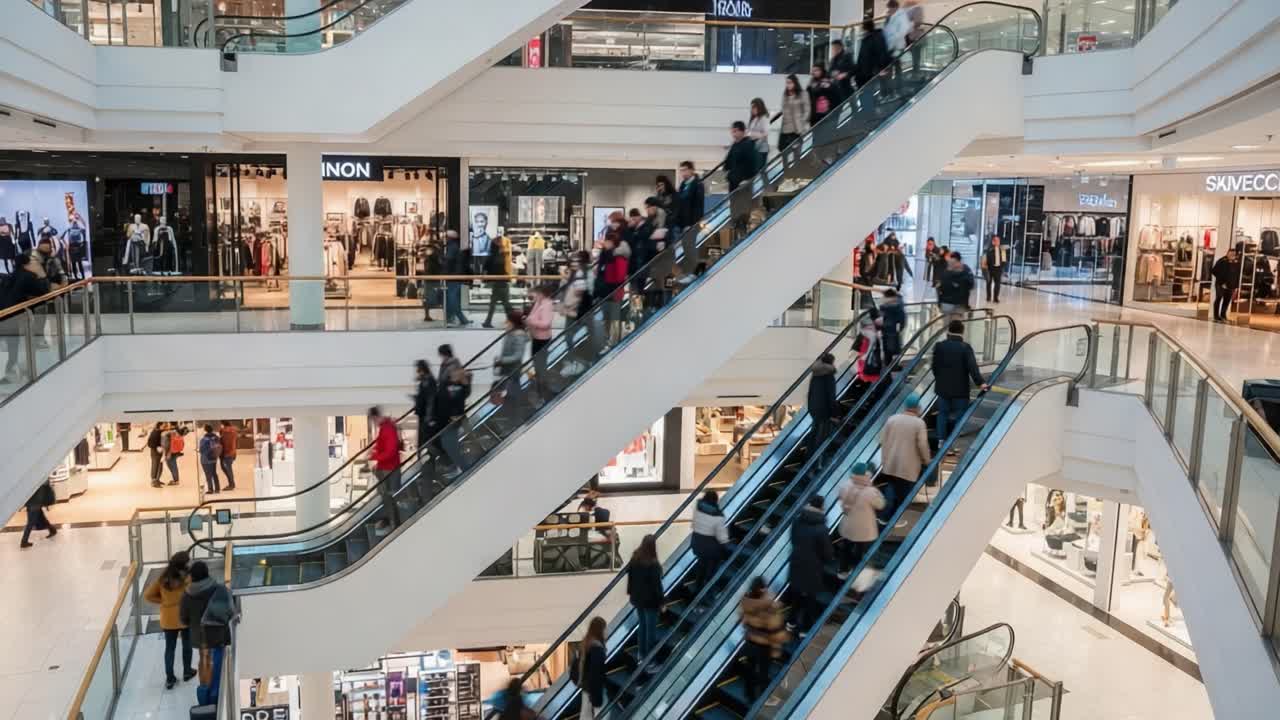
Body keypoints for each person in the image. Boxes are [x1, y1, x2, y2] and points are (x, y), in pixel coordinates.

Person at [180, 561, 234, 706]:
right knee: (217, 660)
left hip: (200, 635)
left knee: (204, 659)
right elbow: (230, 611)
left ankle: (204, 695)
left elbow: (183, 619)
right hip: (218, 633)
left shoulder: (187, 595)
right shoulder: (219, 589)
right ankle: (216, 692)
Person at [931, 320, 989, 445]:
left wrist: (940, 379)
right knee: (960, 416)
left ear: (948, 331)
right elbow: (972, 367)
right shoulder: (965, 347)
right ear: (962, 332)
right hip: (960, 390)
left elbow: (934, 367)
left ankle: (941, 440)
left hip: (942, 389)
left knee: (942, 414)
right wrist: (981, 383)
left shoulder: (939, 346)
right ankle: (955, 441)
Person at [145, 551, 195, 689]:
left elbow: (148, 595)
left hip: (168, 619)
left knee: (170, 649)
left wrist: (163, 601)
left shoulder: (163, 578)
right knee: (187, 645)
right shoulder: (187, 578)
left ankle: (170, 678)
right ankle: (187, 671)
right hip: (185, 616)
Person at [878, 393, 931, 522]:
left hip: (891, 463)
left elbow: (881, 440)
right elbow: (922, 444)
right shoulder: (919, 423)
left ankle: (884, 515)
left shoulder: (892, 419)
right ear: (917, 407)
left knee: (891, 487)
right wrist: (927, 460)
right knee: (904, 495)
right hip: (908, 467)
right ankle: (897, 518)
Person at [0, 252, 51, 383]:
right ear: (27, 264)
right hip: (18, 317)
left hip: (5, 315)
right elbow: (44, 291)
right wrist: (42, 275)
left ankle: (12, 371)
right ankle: (19, 372)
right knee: (20, 345)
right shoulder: (29, 276)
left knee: (12, 345)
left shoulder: (9, 277)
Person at [788, 494, 832, 636]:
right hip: (812, 568)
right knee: (810, 599)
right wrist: (825, 560)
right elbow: (827, 553)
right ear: (821, 507)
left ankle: (791, 622)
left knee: (796, 595)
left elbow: (793, 539)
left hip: (796, 563)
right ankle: (805, 629)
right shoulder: (821, 528)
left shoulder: (797, 521)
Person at [739, 576, 787, 703]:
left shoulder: (745, 600)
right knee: (763, 671)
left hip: (749, 640)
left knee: (750, 667)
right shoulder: (769, 606)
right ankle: (764, 697)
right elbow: (775, 628)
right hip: (764, 644)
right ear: (762, 589)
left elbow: (742, 620)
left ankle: (749, 694)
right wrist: (777, 648)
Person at [838, 462, 885, 574]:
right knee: (860, 550)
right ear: (865, 474)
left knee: (846, 548)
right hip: (863, 529)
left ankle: (843, 570)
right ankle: (855, 572)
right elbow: (881, 505)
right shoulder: (870, 491)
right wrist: (877, 492)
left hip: (848, 525)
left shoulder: (845, 486)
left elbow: (841, 498)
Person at [433, 346, 472, 477]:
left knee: (449, 444)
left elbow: (457, 400)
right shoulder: (449, 385)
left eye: (455, 372)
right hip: (448, 417)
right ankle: (458, 466)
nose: (452, 373)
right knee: (447, 443)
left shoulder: (456, 387)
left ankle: (464, 468)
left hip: (453, 418)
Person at [627, 534, 664, 663]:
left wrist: (630, 593)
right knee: (651, 631)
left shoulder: (635, 558)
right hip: (650, 602)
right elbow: (656, 587)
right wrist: (662, 602)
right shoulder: (653, 564)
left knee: (642, 627)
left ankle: (641, 654)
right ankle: (650, 659)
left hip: (637, 599)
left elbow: (630, 577)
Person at [369, 406, 403, 531]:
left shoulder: (388, 428)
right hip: (385, 467)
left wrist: (374, 456)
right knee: (386, 496)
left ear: (375, 417)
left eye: (373, 420)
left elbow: (390, 451)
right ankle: (390, 522)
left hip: (390, 468)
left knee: (390, 496)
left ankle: (395, 524)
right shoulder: (385, 427)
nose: (373, 423)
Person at [691, 489, 730, 591]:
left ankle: (698, 585)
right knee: (713, 564)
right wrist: (726, 546)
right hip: (710, 548)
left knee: (702, 562)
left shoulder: (698, 506)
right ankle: (709, 585)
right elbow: (722, 538)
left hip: (696, 542)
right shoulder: (718, 516)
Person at [595, 233, 629, 344]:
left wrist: (612, 288)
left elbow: (620, 277)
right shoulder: (604, 255)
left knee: (614, 318)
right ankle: (607, 339)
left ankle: (614, 341)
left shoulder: (618, 256)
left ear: (613, 243)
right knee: (606, 317)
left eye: (607, 241)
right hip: (604, 292)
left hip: (614, 292)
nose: (605, 243)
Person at [494, 311, 530, 414]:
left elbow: (518, 356)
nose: (506, 322)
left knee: (513, 393)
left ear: (513, 321)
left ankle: (514, 414)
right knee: (510, 392)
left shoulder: (519, 336)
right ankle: (512, 412)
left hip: (513, 369)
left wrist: (502, 360)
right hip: (508, 369)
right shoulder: (511, 332)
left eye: (508, 320)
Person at [526, 284, 555, 402]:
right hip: (536, 337)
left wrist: (531, 321)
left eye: (537, 293)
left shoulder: (547, 305)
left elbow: (546, 324)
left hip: (542, 339)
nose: (535, 295)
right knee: (537, 367)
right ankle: (540, 391)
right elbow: (531, 317)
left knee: (541, 367)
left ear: (543, 293)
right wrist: (530, 320)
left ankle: (543, 392)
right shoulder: (539, 303)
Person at [855, 17, 892, 101]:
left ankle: (871, 110)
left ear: (865, 26)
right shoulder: (868, 38)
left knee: (868, 96)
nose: (860, 27)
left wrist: (881, 68)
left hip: (870, 72)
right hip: (866, 73)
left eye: (862, 25)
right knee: (866, 95)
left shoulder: (875, 37)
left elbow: (881, 53)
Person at [577, 617, 607, 719]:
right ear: (600, 630)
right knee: (602, 711)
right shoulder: (597, 648)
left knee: (585, 712)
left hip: (585, 684)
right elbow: (596, 671)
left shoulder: (586, 642)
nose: (606, 631)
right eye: (604, 629)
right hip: (594, 686)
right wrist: (597, 691)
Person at [482, 235, 515, 328]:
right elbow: (501, 270)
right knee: (506, 304)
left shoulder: (491, 255)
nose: (503, 245)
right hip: (501, 282)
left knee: (497, 303)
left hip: (496, 282)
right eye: (501, 244)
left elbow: (485, 268)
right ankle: (513, 320)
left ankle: (487, 321)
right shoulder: (500, 257)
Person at [807, 352, 839, 447]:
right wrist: (834, 414)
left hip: (814, 408)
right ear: (831, 363)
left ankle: (809, 455)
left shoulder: (815, 375)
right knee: (821, 437)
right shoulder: (829, 376)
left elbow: (810, 393)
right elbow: (831, 397)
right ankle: (816, 457)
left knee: (814, 432)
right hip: (824, 411)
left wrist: (810, 408)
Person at [442, 231, 471, 327]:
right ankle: (462, 319)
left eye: (446, 237)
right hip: (456, 276)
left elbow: (448, 261)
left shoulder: (451, 248)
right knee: (454, 298)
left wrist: (442, 263)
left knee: (451, 298)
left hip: (452, 277)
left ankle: (450, 319)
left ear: (449, 238)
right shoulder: (455, 247)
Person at [937, 251, 975, 319]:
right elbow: (971, 284)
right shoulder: (948, 270)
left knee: (950, 325)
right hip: (953, 303)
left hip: (954, 303)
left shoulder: (964, 270)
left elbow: (971, 284)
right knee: (952, 325)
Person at [725, 121, 761, 192]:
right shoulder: (736, 144)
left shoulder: (748, 145)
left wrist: (748, 179)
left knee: (741, 201)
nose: (733, 134)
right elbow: (730, 160)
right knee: (734, 201)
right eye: (732, 132)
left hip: (743, 181)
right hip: (734, 179)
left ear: (742, 131)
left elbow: (753, 164)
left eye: (735, 131)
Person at [776, 74, 809, 151]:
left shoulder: (803, 94)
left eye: (790, 82)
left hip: (797, 128)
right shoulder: (785, 95)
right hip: (785, 127)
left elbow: (807, 111)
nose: (788, 85)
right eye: (787, 83)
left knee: (796, 150)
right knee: (782, 148)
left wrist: (802, 122)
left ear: (795, 83)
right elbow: (783, 109)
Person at [673, 161, 705, 241]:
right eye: (681, 170)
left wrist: (692, 224)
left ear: (691, 170)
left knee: (690, 247)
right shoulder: (683, 185)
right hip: (681, 224)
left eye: (685, 170)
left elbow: (698, 207)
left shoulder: (697, 184)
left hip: (691, 224)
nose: (683, 173)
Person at [19, 480, 57, 548]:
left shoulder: (40, 479)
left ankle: (24, 542)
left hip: (34, 504)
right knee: (42, 519)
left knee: (30, 523)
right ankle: (52, 530)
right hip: (34, 504)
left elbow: (45, 491)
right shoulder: (38, 479)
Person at [412, 359, 437, 451]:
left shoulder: (428, 381)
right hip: (424, 414)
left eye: (418, 369)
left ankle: (440, 460)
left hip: (426, 415)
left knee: (426, 440)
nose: (416, 371)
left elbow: (430, 399)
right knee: (425, 440)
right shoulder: (426, 380)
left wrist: (429, 417)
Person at [1211, 248, 1240, 322]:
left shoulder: (1236, 263)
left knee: (1227, 301)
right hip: (1221, 285)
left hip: (1231, 286)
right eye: (1231, 254)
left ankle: (1223, 316)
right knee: (1219, 298)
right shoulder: (1222, 261)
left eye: (1233, 254)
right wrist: (1222, 282)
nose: (1232, 255)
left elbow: (1237, 275)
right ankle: (1216, 316)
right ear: (1227, 253)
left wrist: (1236, 286)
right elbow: (1214, 271)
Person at [879, 288, 907, 362]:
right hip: (893, 330)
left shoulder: (884, 306)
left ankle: (889, 367)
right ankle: (893, 366)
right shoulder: (898, 305)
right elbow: (902, 319)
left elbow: (881, 318)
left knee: (887, 351)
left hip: (887, 330)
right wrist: (900, 328)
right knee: (894, 350)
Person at [198, 424, 223, 495]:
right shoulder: (216, 437)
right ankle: (217, 489)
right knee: (214, 473)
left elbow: (201, 449)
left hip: (205, 459)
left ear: (205, 430)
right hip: (214, 458)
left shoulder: (204, 439)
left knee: (208, 474)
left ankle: (210, 489)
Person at [981, 236, 1007, 303]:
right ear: (993, 242)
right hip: (990, 269)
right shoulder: (988, 249)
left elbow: (1004, 260)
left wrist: (1002, 268)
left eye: (998, 240)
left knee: (997, 284)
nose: (998, 242)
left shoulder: (1002, 250)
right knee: (988, 283)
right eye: (996, 241)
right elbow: (985, 259)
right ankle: (988, 297)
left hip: (998, 269)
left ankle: (996, 298)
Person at [747, 97, 770, 168]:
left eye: (754, 107)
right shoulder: (754, 118)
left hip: (761, 150)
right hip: (753, 148)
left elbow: (766, 133)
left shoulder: (764, 118)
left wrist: (753, 134)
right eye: (751, 107)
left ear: (759, 107)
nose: (752, 109)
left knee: (759, 171)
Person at [217, 421, 238, 491]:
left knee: (227, 469)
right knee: (228, 468)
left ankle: (231, 484)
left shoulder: (225, 432)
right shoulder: (234, 430)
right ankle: (231, 483)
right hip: (232, 452)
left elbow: (223, 442)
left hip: (227, 453)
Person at [146, 422, 166, 488]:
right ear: (160, 425)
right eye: (163, 425)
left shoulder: (161, 432)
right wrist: (157, 447)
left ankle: (157, 479)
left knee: (160, 466)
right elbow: (149, 443)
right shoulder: (155, 432)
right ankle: (154, 481)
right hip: (155, 452)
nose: (164, 426)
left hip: (160, 452)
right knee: (155, 465)